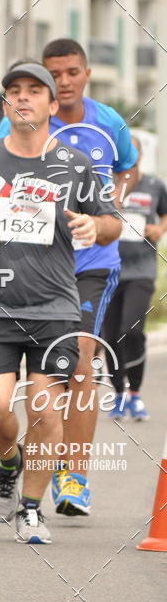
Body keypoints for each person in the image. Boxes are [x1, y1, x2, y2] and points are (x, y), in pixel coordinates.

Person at [0, 62, 121, 544]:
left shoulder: (75, 164)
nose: (23, 97)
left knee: (45, 414)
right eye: (14, 91)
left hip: (55, 309)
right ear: (6, 104)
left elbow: (111, 221)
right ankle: (9, 461)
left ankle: (30, 509)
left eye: (33, 91)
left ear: (51, 103)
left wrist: (95, 226)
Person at [0, 39, 138, 517]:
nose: (64, 81)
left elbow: (128, 165)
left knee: (79, 363)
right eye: (54, 74)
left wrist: (107, 208)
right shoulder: (21, 116)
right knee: (39, 373)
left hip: (92, 261)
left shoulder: (108, 122)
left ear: (87, 73)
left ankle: (73, 475)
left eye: (72, 71)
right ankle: (36, 456)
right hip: (34, 264)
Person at [104, 136, 167, 420]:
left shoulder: (153, 185)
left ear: (139, 156)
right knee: (111, 335)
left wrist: (159, 229)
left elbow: (165, 214)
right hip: (108, 270)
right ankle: (119, 394)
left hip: (141, 270)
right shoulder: (104, 186)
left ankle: (136, 394)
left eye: (131, 152)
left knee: (131, 330)